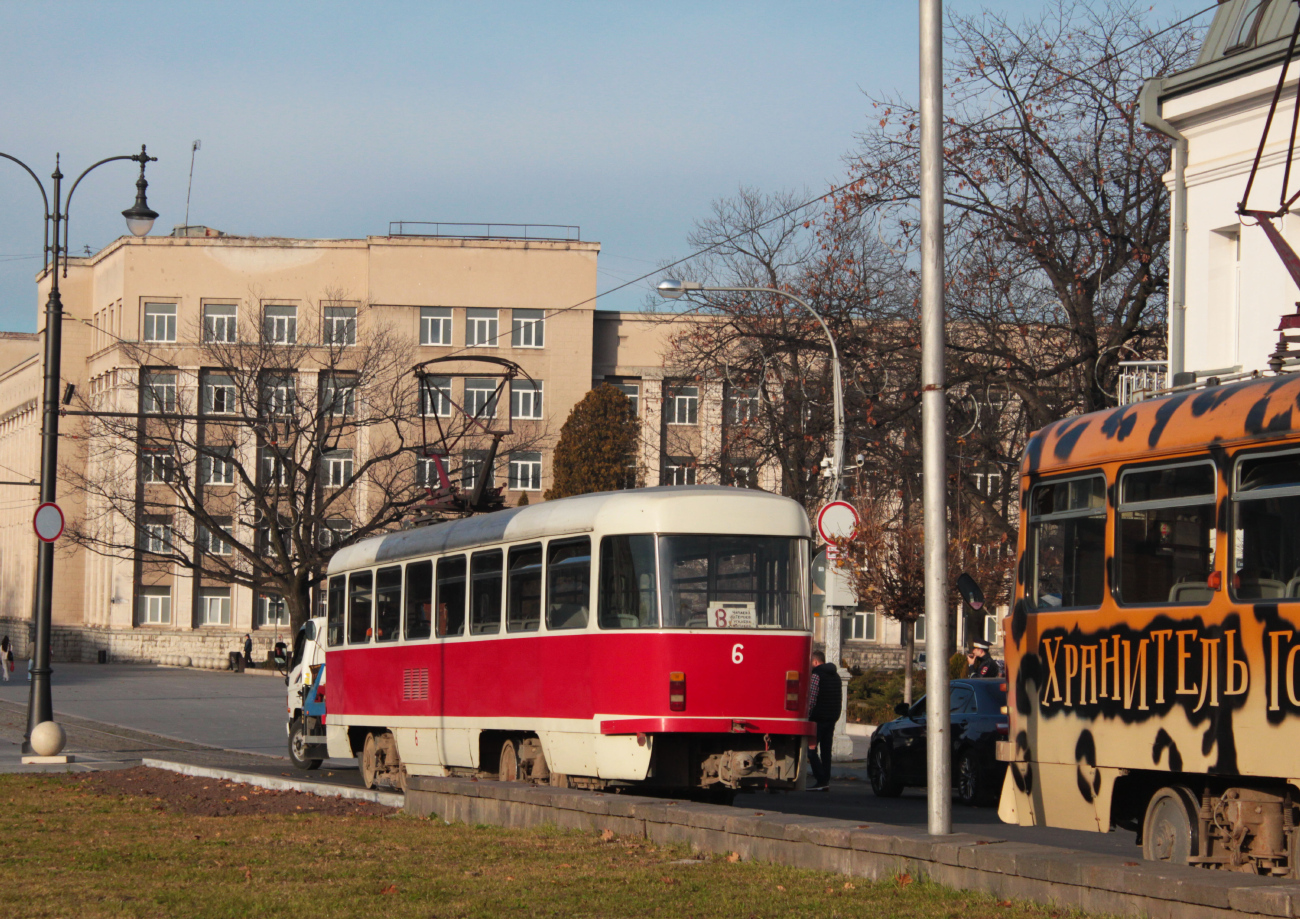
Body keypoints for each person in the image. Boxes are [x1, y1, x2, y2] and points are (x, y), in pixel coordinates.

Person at [805, 650, 842, 792]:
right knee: (826, 751)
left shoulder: (816, 675)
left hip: (817, 720)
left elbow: (812, 698)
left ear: (815, 662)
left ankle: (820, 779)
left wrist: (808, 716)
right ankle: (825, 780)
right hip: (831, 718)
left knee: (811, 750)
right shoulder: (836, 676)